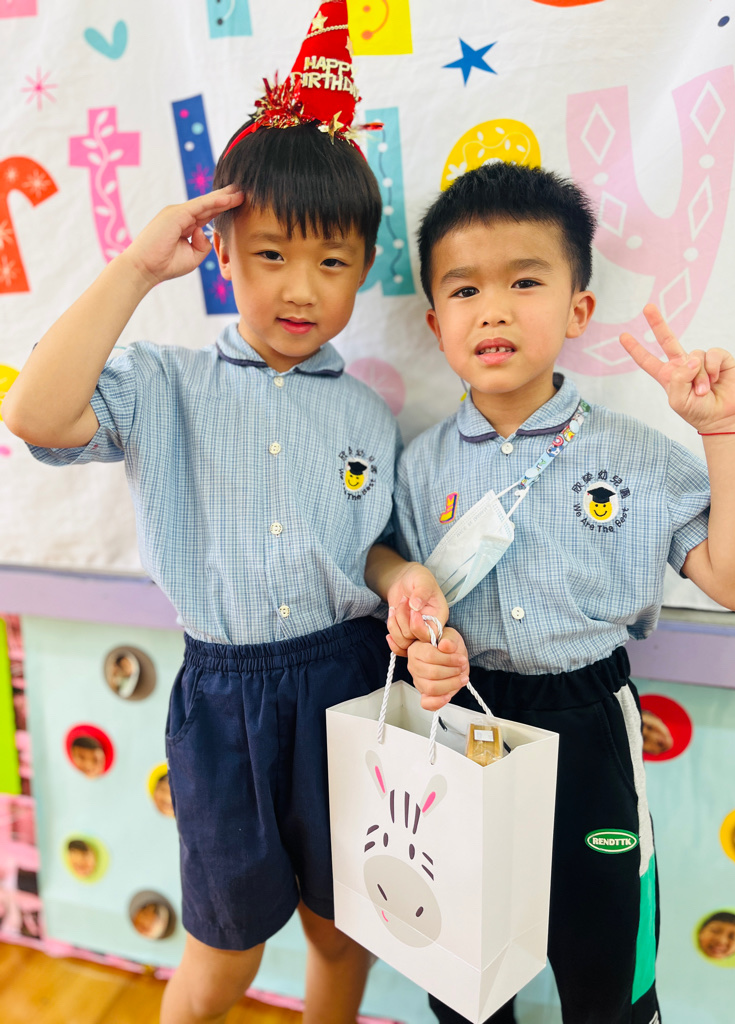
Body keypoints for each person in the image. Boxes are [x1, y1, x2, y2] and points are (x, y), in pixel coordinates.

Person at [2, 5, 443, 1021]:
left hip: (348, 683)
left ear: (364, 267)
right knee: (222, 948)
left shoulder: (366, 414)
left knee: (342, 927)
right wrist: (136, 267)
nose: (302, 288)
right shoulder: (166, 383)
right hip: (224, 701)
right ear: (224, 253)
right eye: (272, 253)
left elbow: (368, 549)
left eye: (332, 262)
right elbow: (34, 413)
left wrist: (401, 575)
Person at [385, 161, 735, 1024]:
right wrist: (423, 653)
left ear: (578, 309)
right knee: (462, 965)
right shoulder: (419, 465)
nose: (493, 309)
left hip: (591, 727)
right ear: (436, 323)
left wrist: (724, 432)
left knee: (608, 965)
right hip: (464, 725)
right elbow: (407, 610)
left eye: (525, 282)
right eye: (465, 289)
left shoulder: (638, 454)